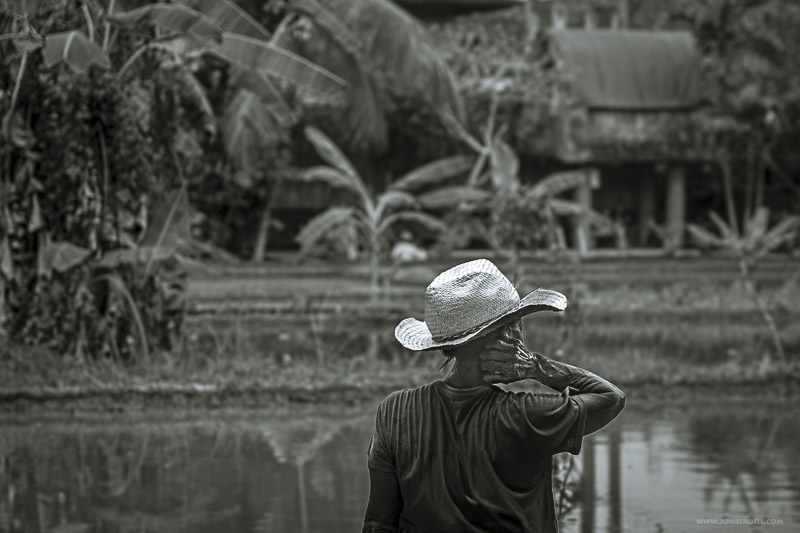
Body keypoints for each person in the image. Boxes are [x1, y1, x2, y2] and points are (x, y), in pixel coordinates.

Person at [362, 259, 625, 533]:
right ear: (511, 333)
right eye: (517, 323)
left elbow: (378, 522)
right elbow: (611, 398)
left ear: (445, 347)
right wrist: (536, 366)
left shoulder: (394, 411)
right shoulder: (528, 416)